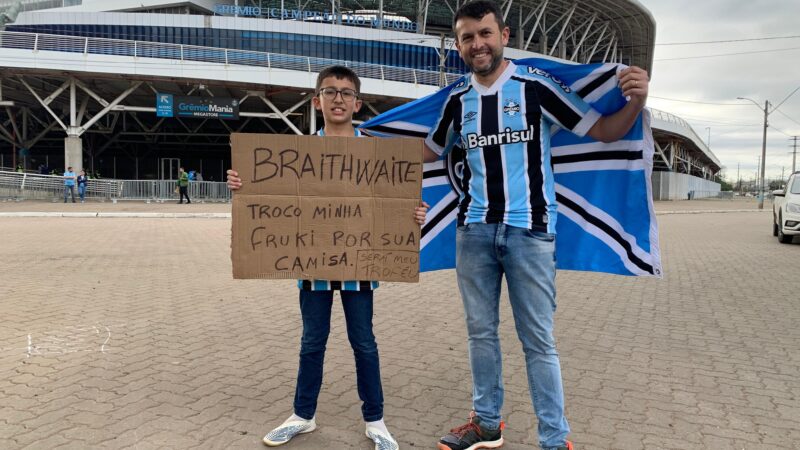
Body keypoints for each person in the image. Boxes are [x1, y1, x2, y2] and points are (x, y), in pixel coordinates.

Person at [419, 2, 650, 450]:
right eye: (467, 37)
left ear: (503, 35)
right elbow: (430, 151)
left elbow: (602, 131)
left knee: (539, 342)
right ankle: (486, 423)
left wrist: (637, 100)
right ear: (458, 45)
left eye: (484, 33)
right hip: (474, 233)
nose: (477, 44)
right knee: (480, 334)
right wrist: (355, 151)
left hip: (531, 233)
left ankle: (553, 438)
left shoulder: (536, 87)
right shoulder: (456, 100)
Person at [227, 65, 429, 450]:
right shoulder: (298, 152)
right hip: (312, 268)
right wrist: (241, 184)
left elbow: (396, 204)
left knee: (364, 343)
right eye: (330, 91)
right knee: (311, 342)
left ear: (358, 101)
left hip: (361, 268)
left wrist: (415, 215)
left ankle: (376, 420)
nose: (339, 99)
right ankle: (303, 415)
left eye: (346, 92)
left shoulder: (377, 153)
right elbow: (268, 196)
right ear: (317, 101)